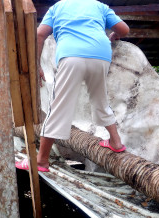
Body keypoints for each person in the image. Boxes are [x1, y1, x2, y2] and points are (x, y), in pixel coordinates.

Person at [17, 0, 131, 172]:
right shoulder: (99, 6)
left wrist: (36, 65)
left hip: (71, 56)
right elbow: (124, 29)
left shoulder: (58, 7)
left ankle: (41, 161)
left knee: (59, 107)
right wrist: (114, 35)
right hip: (100, 55)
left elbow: (40, 34)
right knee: (100, 100)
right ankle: (116, 142)